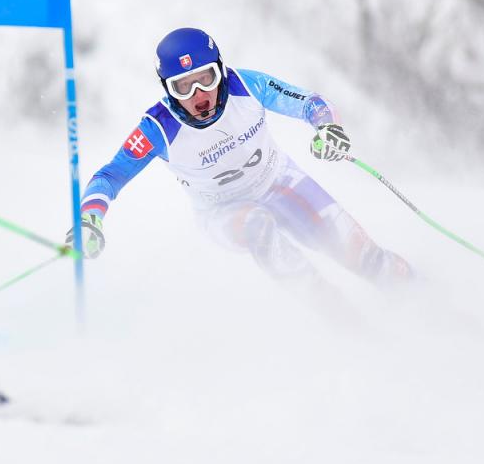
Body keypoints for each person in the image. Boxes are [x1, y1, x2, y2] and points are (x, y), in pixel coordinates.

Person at [69, 27, 412, 296]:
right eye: (182, 87)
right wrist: (89, 220)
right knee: (257, 225)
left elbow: (309, 102)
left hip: (281, 182)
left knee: (367, 259)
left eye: (206, 79)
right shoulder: (158, 127)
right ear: (167, 89)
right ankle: (342, 321)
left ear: (220, 69)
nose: (198, 96)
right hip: (223, 212)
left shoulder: (245, 85)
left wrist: (327, 127)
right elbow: (110, 176)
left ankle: (431, 303)